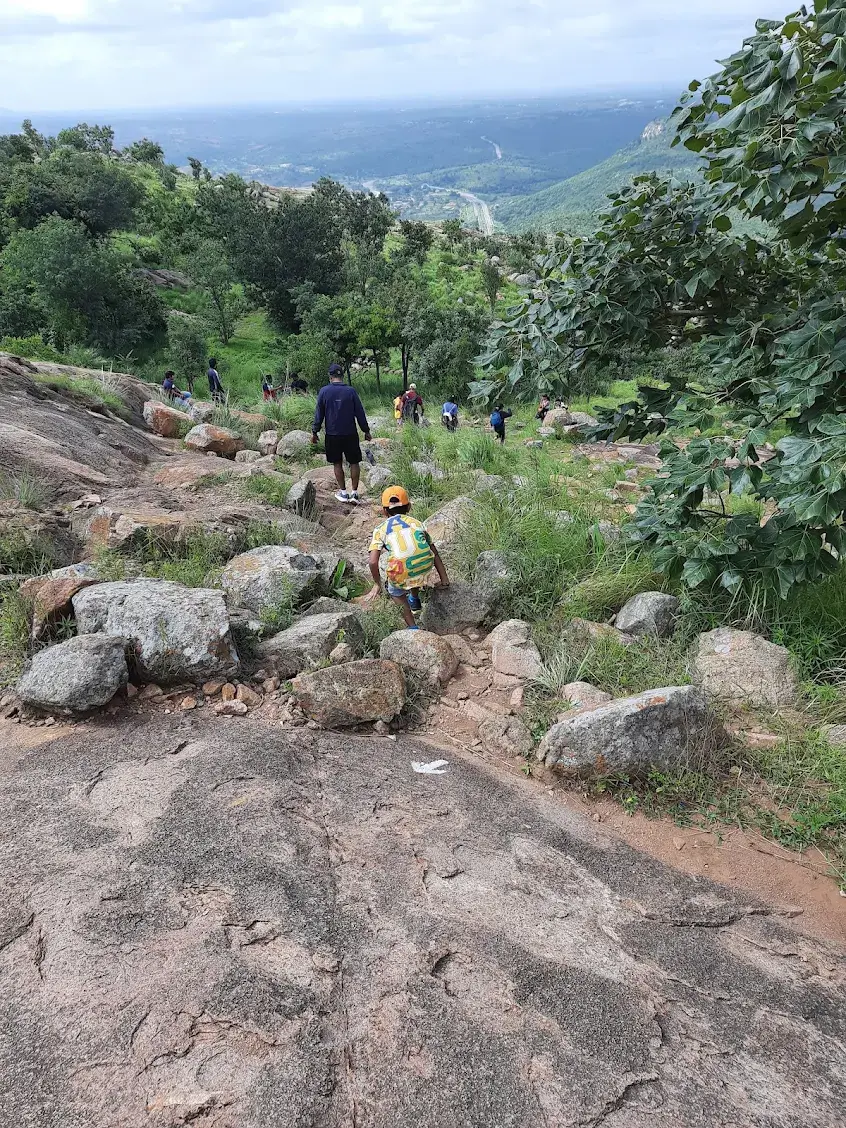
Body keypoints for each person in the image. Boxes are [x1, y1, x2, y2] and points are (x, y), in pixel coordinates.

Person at [366, 486, 449, 629]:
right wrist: (444, 579)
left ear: (384, 511)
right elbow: (434, 551)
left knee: (395, 592)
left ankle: (412, 627)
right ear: (409, 507)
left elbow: (373, 562)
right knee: (413, 560)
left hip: (402, 573)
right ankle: (414, 598)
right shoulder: (417, 523)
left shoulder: (380, 529)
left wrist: (377, 584)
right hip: (424, 567)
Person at [311, 362, 371, 503]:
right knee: (354, 462)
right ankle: (354, 493)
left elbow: (319, 414)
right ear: (342, 376)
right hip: (350, 433)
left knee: (337, 463)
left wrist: (315, 432)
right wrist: (366, 431)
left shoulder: (324, 391)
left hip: (332, 434)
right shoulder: (351, 391)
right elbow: (360, 413)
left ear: (330, 377)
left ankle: (343, 493)